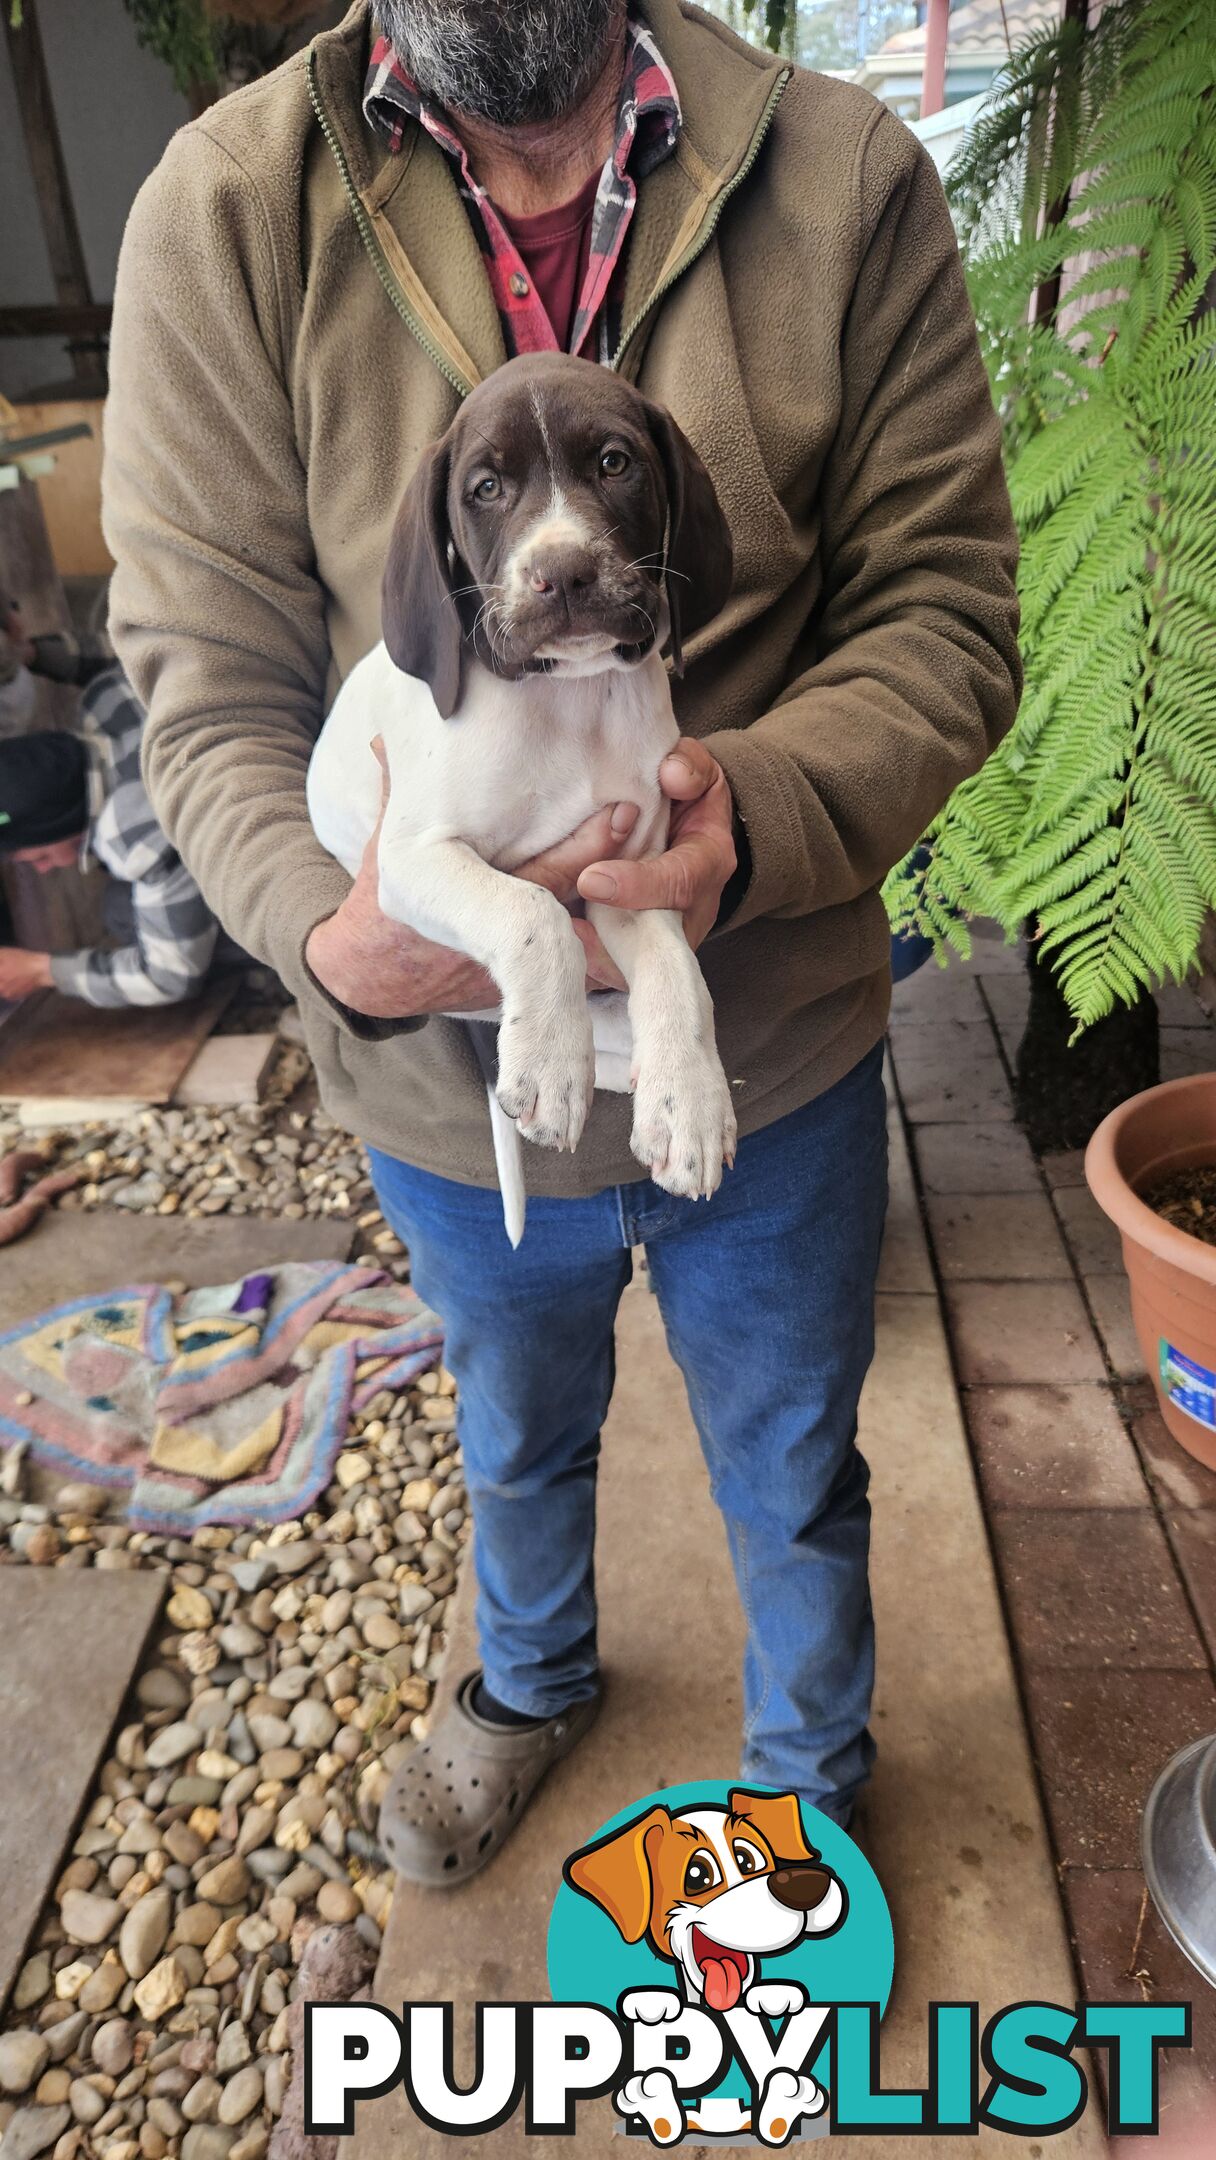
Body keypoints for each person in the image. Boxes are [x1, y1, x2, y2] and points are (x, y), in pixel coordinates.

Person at [102, 0, 1021, 1877]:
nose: (561, 540)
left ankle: (807, 1783)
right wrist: (327, 933)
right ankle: (529, 1679)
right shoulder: (228, 206)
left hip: (766, 1037)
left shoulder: (842, 175)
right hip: (447, 1085)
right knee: (513, 1428)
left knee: (793, 1464)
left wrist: (743, 816)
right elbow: (201, 680)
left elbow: (943, 615)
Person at [0, 605, 217, 1006]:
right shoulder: (107, 698)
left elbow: (170, 978)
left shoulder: (133, 836)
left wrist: (39, 969)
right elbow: (121, 652)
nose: (44, 868)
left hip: (301, 844)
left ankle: (273, 973)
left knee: (121, 910)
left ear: (57, 823)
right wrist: (27, 654)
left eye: (40, 856)